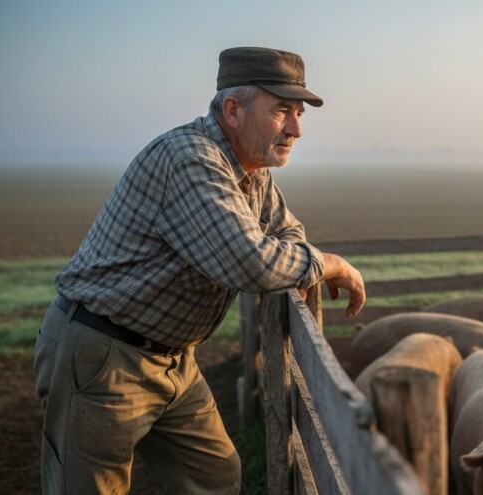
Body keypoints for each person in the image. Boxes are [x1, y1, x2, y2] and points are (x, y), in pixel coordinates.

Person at [33, 47, 366, 494]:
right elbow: (251, 263)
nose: (296, 129)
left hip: (173, 358)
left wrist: (299, 265)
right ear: (233, 110)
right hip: (103, 351)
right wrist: (328, 264)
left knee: (214, 478)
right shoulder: (190, 159)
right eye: (281, 111)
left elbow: (288, 232)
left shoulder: (250, 169)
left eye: (298, 114)